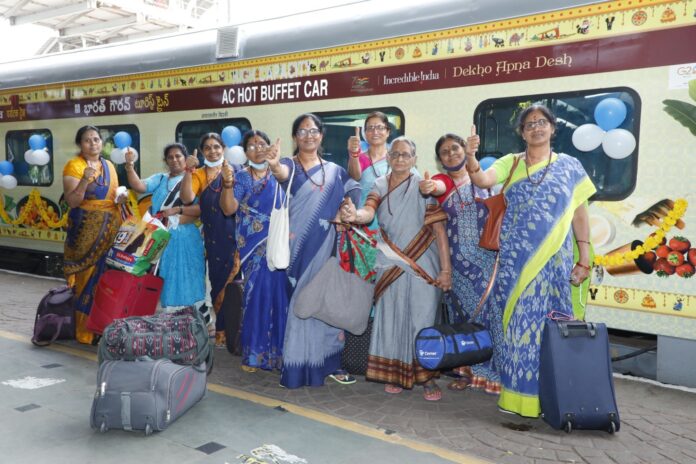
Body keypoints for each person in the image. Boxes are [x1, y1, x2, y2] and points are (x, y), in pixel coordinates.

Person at [465, 104, 595, 417]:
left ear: (552, 128)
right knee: (518, 326)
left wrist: (585, 256)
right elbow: (483, 180)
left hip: (553, 262)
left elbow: (579, 214)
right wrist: (470, 156)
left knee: (548, 326)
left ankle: (549, 395)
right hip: (514, 261)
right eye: (529, 124)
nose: (536, 128)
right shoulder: (511, 162)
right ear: (522, 133)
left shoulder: (570, 166)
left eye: (542, 122)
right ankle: (517, 398)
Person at [341, 136, 452, 401]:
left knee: (422, 320)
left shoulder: (423, 186)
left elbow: (438, 230)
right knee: (391, 318)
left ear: (414, 159)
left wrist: (445, 271)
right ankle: (394, 375)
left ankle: (426, 379)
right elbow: (369, 210)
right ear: (388, 158)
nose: (400, 158)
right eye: (395, 154)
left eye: (406, 154)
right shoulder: (379, 184)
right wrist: (355, 216)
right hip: (390, 262)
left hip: (424, 263)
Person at [267, 113, 360, 389]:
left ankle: (329, 364)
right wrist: (272, 165)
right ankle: (297, 370)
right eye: (302, 131)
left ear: (321, 135)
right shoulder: (288, 165)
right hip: (298, 249)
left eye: (314, 131)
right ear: (295, 137)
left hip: (327, 246)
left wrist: (347, 211)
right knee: (302, 303)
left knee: (325, 303)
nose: (309, 135)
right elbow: (280, 174)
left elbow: (352, 188)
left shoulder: (334, 169)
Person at [418, 133, 501, 394]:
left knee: (493, 316)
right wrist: (446, 270)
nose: (451, 154)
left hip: (488, 262)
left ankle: (494, 373)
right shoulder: (442, 184)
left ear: (465, 150)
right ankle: (466, 371)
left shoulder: (484, 179)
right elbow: (437, 196)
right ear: (440, 160)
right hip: (459, 266)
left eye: (455, 148)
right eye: (445, 152)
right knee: (463, 318)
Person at [220, 130, 288, 372]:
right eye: (251, 145)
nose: (258, 148)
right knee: (256, 298)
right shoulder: (241, 178)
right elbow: (229, 209)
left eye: (262, 144)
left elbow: (290, 185)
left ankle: (279, 354)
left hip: (280, 245)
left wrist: (276, 164)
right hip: (253, 248)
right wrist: (227, 184)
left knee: (280, 298)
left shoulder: (282, 170)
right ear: (245, 151)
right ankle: (255, 355)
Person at [124, 143, 206, 311]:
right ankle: (172, 316)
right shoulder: (160, 178)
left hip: (186, 236)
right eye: (170, 157)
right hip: (161, 236)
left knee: (188, 274)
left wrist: (177, 213)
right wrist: (130, 166)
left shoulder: (196, 177)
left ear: (186, 158)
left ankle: (196, 315)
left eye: (178, 156)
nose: (175, 160)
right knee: (167, 274)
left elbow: (200, 208)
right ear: (165, 161)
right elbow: (139, 186)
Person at [62, 125, 123, 344]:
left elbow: (113, 195)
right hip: (86, 234)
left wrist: (121, 200)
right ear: (80, 144)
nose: (93, 143)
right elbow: (72, 201)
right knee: (86, 279)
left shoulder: (109, 165)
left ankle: (102, 328)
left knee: (107, 279)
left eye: (96, 139)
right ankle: (84, 332)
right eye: (88, 140)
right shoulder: (74, 165)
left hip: (110, 230)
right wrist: (85, 180)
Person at [180, 133, 239, 343]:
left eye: (216, 147)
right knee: (217, 284)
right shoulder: (199, 174)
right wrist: (188, 170)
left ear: (223, 148)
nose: (213, 151)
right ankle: (221, 331)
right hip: (215, 239)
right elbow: (187, 198)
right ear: (203, 151)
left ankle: (236, 331)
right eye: (208, 148)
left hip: (237, 237)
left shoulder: (235, 170)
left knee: (237, 287)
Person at [346, 111, 391, 230]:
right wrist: (353, 153)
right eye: (370, 128)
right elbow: (354, 177)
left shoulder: (399, 159)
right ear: (365, 133)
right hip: (362, 219)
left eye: (380, 127)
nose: (375, 132)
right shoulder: (359, 158)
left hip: (393, 224)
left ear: (388, 132)